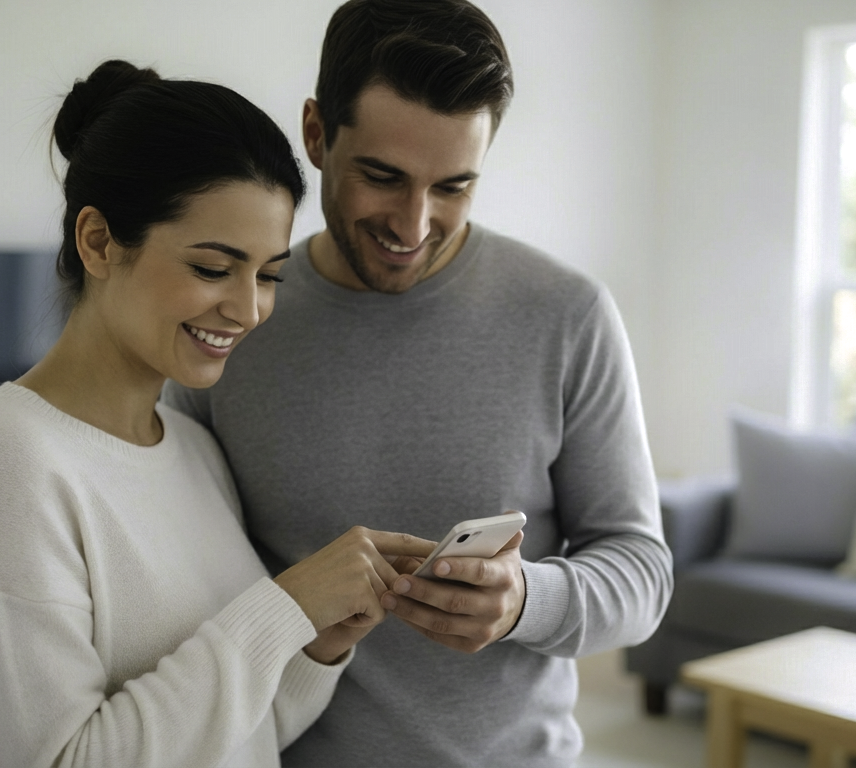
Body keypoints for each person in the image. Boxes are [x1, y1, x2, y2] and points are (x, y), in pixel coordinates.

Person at [162, 1, 674, 765]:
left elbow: (642, 573)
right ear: (315, 134)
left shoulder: (568, 315)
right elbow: (183, 581)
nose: (413, 224)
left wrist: (527, 601)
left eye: (454, 187)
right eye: (382, 177)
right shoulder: (232, 320)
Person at [0, 60, 432, 768]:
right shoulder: (3, 463)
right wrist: (284, 608)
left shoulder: (193, 450)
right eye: (214, 268)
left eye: (269, 274)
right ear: (97, 242)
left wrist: (315, 642)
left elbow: (242, 734)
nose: (248, 309)